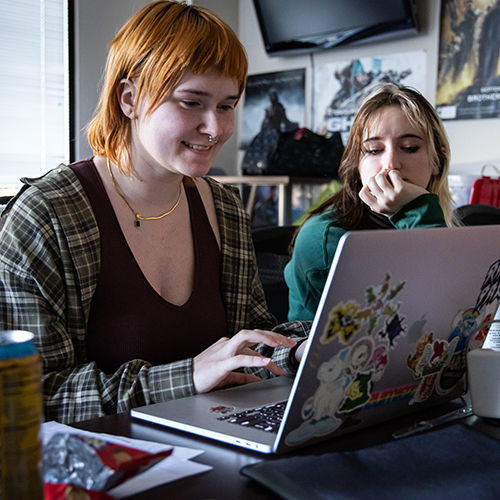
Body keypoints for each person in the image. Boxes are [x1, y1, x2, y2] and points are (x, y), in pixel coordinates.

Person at [0, 1, 308, 424]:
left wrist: (305, 349)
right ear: (130, 99)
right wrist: (186, 377)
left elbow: (249, 342)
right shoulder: (47, 216)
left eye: (225, 106)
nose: (216, 128)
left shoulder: (223, 208)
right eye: (191, 103)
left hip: (218, 446)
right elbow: (32, 394)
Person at [285, 82, 456, 322]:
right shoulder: (326, 238)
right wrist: (415, 211)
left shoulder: (442, 223)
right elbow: (421, 317)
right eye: (374, 150)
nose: (391, 164)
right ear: (357, 163)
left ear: (437, 161)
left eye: (409, 147)